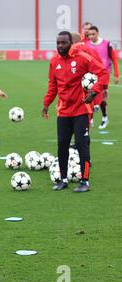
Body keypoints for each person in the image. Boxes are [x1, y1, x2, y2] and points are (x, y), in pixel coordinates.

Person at [43, 31, 109, 192]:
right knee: (62, 145)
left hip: (81, 109)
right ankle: (63, 179)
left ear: (71, 43)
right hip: (63, 111)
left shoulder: (82, 57)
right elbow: (53, 85)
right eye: (58, 43)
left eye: (63, 43)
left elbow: (103, 73)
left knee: (81, 145)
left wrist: (93, 92)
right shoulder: (54, 62)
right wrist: (46, 104)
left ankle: (85, 181)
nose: (60, 46)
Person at [86, 25, 120, 129]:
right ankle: (90, 118)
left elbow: (113, 58)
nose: (91, 36)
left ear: (98, 33)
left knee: (101, 95)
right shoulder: (86, 44)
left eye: (93, 34)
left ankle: (104, 117)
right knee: (90, 96)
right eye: (89, 34)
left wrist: (116, 74)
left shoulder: (106, 44)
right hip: (90, 75)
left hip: (103, 74)